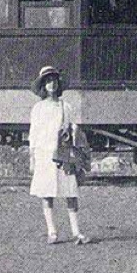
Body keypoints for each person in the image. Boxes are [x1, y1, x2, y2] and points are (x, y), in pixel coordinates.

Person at [28, 66, 91, 245]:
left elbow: (73, 130)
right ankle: (52, 232)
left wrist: (73, 131)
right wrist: (32, 157)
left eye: (54, 80)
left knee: (70, 193)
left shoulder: (66, 106)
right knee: (47, 194)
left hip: (63, 154)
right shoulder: (38, 108)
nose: (52, 84)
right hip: (44, 154)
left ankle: (76, 232)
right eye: (48, 81)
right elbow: (34, 133)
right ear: (43, 85)